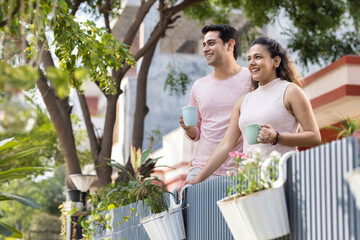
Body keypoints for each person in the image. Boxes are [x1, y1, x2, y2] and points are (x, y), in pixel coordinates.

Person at [179, 36, 321, 188]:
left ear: (276, 61)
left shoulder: (290, 91)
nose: (252, 63)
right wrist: (198, 178)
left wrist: (276, 137)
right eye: (249, 58)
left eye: (258, 57)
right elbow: (226, 145)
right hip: (250, 181)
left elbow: (314, 136)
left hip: (283, 176)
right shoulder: (243, 101)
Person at [178, 24, 252, 184]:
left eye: (211, 43)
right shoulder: (199, 86)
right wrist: (188, 128)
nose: (205, 49)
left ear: (230, 45)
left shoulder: (251, 79)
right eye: (204, 44)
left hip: (238, 170)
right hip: (200, 168)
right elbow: (196, 133)